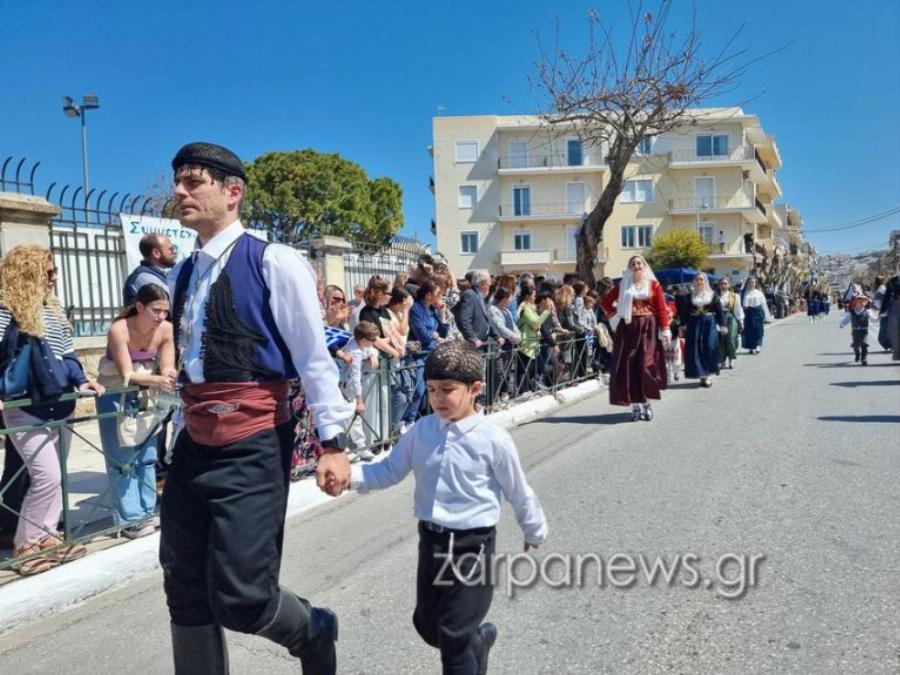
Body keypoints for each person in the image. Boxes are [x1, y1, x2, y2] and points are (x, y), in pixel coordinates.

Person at [161, 142, 351, 673]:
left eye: (193, 182)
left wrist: (333, 443)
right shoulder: (181, 274)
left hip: (253, 442)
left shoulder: (273, 261)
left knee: (243, 596)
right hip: (193, 441)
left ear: (233, 192)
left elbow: (313, 357)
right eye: (178, 182)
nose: (179, 191)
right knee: (183, 582)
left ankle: (314, 630)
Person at [333, 340, 547, 675]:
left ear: (475, 389)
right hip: (431, 541)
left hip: (471, 546)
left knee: (453, 637)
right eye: (432, 389)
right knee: (429, 627)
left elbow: (518, 491)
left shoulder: (493, 440)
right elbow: (388, 471)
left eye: (447, 389)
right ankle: (477, 642)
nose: (437, 398)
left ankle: (466, 646)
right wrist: (348, 478)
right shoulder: (422, 431)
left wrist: (533, 528)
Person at [0, 244, 105, 575]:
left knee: (56, 477)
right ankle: (25, 545)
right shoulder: (4, 312)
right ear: (27, 273)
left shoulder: (52, 310)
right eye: (48, 272)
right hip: (26, 406)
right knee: (46, 477)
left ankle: (47, 536)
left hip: (61, 403)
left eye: (54, 272)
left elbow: (68, 354)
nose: (54, 278)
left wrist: (82, 380)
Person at [95, 283, 176, 538]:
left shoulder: (166, 329)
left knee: (146, 454)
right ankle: (129, 519)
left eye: (165, 311)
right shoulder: (119, 328)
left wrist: (170, 374)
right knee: (122, 457)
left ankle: (147, 510)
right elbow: (127, 374)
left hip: (146, 393)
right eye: (155, 310)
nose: (161, 316)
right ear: (139, 306)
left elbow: (168, 366)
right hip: (115, 392)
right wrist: (159, 379)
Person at [600, 256, 669, 421]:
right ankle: (636, 405)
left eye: (639, 263)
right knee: (629, 366)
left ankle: (646, 402)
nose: (636, 266)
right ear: (629, 267)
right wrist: (617, 317)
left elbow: (661, 308)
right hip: (628, 329)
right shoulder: (623, 285)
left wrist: (665, 328)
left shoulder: (653, 285)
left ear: (644, 265)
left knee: (646, 365)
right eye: (633, 264)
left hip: (648, 328)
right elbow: (606, 303)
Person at [407, 280, 449, 426]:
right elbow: (422, 334)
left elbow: (444, 332)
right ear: (428, 295)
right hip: (420, 355)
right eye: (438, 293)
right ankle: (409, 421)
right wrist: (434, 335)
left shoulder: (433, 309)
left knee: (433, 390)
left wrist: (442, 314)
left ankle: (428, 419)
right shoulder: (416, 309)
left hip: (433, 353)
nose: (440, 296)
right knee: (418, 390)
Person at [338, 321, 379, 460]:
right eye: (372, 339)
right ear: (363, 340)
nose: (374, 342)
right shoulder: (354, 351)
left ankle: (361, 447)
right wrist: (359, 401)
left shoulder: (359, 343)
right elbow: (355, 378)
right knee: (346, 418)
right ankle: (344, 450)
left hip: (349, 385)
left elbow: (372, 349)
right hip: (346, 386)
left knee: (356, 419)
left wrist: (373, 355)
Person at [678, 272, 726, 388]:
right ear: (694, 282)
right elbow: (685, 313)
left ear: (705, 281)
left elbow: (719, 311)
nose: (699, 282)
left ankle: (708, 374)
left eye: (701, 280)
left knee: (709, 346)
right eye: (697, 280)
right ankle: (702, 375)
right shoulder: (689, 297)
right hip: (694, 324)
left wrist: (723, 325)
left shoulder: (713, 295)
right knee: (696, 349)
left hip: (709, 323)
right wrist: (682, 325)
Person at [123, 233, 178, 305]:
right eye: (171, 249)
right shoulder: (144, 277)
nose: (174, 252)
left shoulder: (161, 274)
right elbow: (173, 301)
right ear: (156, 253)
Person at [716, 277, 744, 370]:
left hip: (730, 317)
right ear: (719, 286)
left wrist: (741, 321)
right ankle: (722, 360)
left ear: (729, 285)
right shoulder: (715, 296)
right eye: (721, 284)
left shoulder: (735, 296)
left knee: (731, 338)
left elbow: (738, 309)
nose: (723, 286)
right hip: (719, 318)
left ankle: (732, 358)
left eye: (725, 283)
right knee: (721, 339)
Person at [840, 295, 872, 365]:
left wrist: (878, 318)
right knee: (856, 345)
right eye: (859, 301)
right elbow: (847, 319)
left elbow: (873, 319)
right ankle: (857, 354)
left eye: (863, 302)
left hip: (864, 331)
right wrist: (842, 324)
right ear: (856, 302)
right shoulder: (852, 312)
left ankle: (864, 358)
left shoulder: (867, 312)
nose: (861, 303)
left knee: (864, 344)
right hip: (855, 331)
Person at [741, 278, 771, 354]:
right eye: (750, 282)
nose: (751, 284)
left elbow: (764, 305)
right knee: (749, 331)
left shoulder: (759, 293)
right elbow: (742, 306)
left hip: (758, 313)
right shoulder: (744, 293)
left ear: (755, 283)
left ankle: (758, 345)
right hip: (748, 314)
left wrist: (767, 317)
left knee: (758, 330)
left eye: (753, 282)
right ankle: (751, 347)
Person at [878, 271, 900, 361]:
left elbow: (887, 297)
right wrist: (882, 310)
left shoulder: (893, 280)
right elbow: (887, 296)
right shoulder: (893, 281)